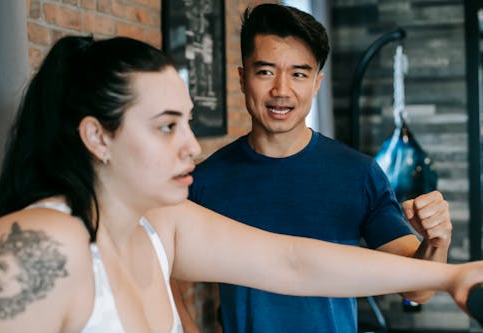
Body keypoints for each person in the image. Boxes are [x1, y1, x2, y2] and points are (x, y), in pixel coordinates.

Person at [0, 35, 481, 333]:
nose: (192, 147)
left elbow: (294, 262)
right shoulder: (44, 244)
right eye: (165, 126)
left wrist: (453, 276)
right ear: (97, 136)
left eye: (187, 123)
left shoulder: (159, 227)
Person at [183, 3, 455, 333]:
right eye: (265, 71)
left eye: (298, 74)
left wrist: (436, 241)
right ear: (242, 78)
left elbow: (419, 288)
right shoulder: (206, 180)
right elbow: (158, 266)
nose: (281, 91)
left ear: (316, 83)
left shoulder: (359, 174)